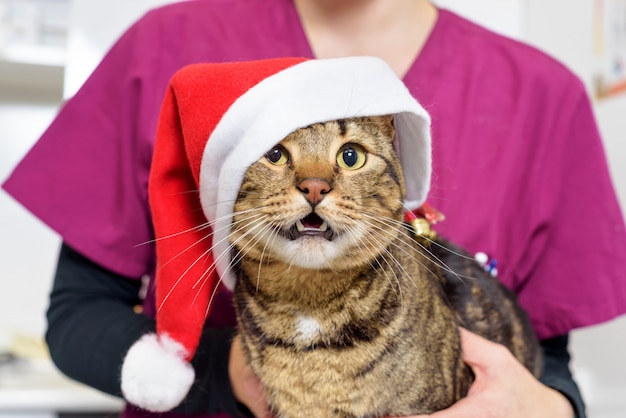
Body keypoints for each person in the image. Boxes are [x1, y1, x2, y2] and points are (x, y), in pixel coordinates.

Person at [3, 0, 626, 417]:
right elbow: (77, 318)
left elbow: (549, 368)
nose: (314, 183)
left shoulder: (545, 97)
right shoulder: (164, 46)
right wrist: (236, 373)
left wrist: (552, 408)